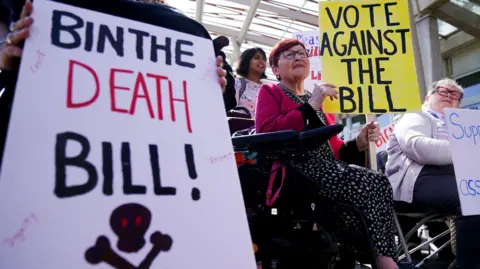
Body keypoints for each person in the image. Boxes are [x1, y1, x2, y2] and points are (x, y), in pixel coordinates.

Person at [0, 0, 227, 163]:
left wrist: (209, 90)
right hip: (39, 144)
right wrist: (6, 56)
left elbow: (204, 108)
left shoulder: (186, 28)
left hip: (160, 158)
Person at [255, 38, 413, 269]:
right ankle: (383, 260)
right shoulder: (270, 91)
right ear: (276, 69)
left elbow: (336, 150)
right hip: (295, 169)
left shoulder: (316, 101)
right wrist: (313, 104)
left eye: (302, 53)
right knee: (370, 183)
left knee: (377, 183)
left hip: (326, 170)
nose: (298, 57)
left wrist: (358, 142)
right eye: (289, 55)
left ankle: (376, 255)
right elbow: (267, 132)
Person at [385, 78, 480, 269]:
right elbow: (417, 146)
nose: (449, 96)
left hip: (455, 178)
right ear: (428, 97)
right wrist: (466, 149)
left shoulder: (464, 125)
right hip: (418, 177)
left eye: (455, 95)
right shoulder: (416, 115)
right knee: (474, 198)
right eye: (443, 91)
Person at [233, 47, 267, 118]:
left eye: (264, 59)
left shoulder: (268, 90)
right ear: (246, 61)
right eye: (257, 58)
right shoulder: (237, 83)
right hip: (240, 127)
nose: (261, 61)